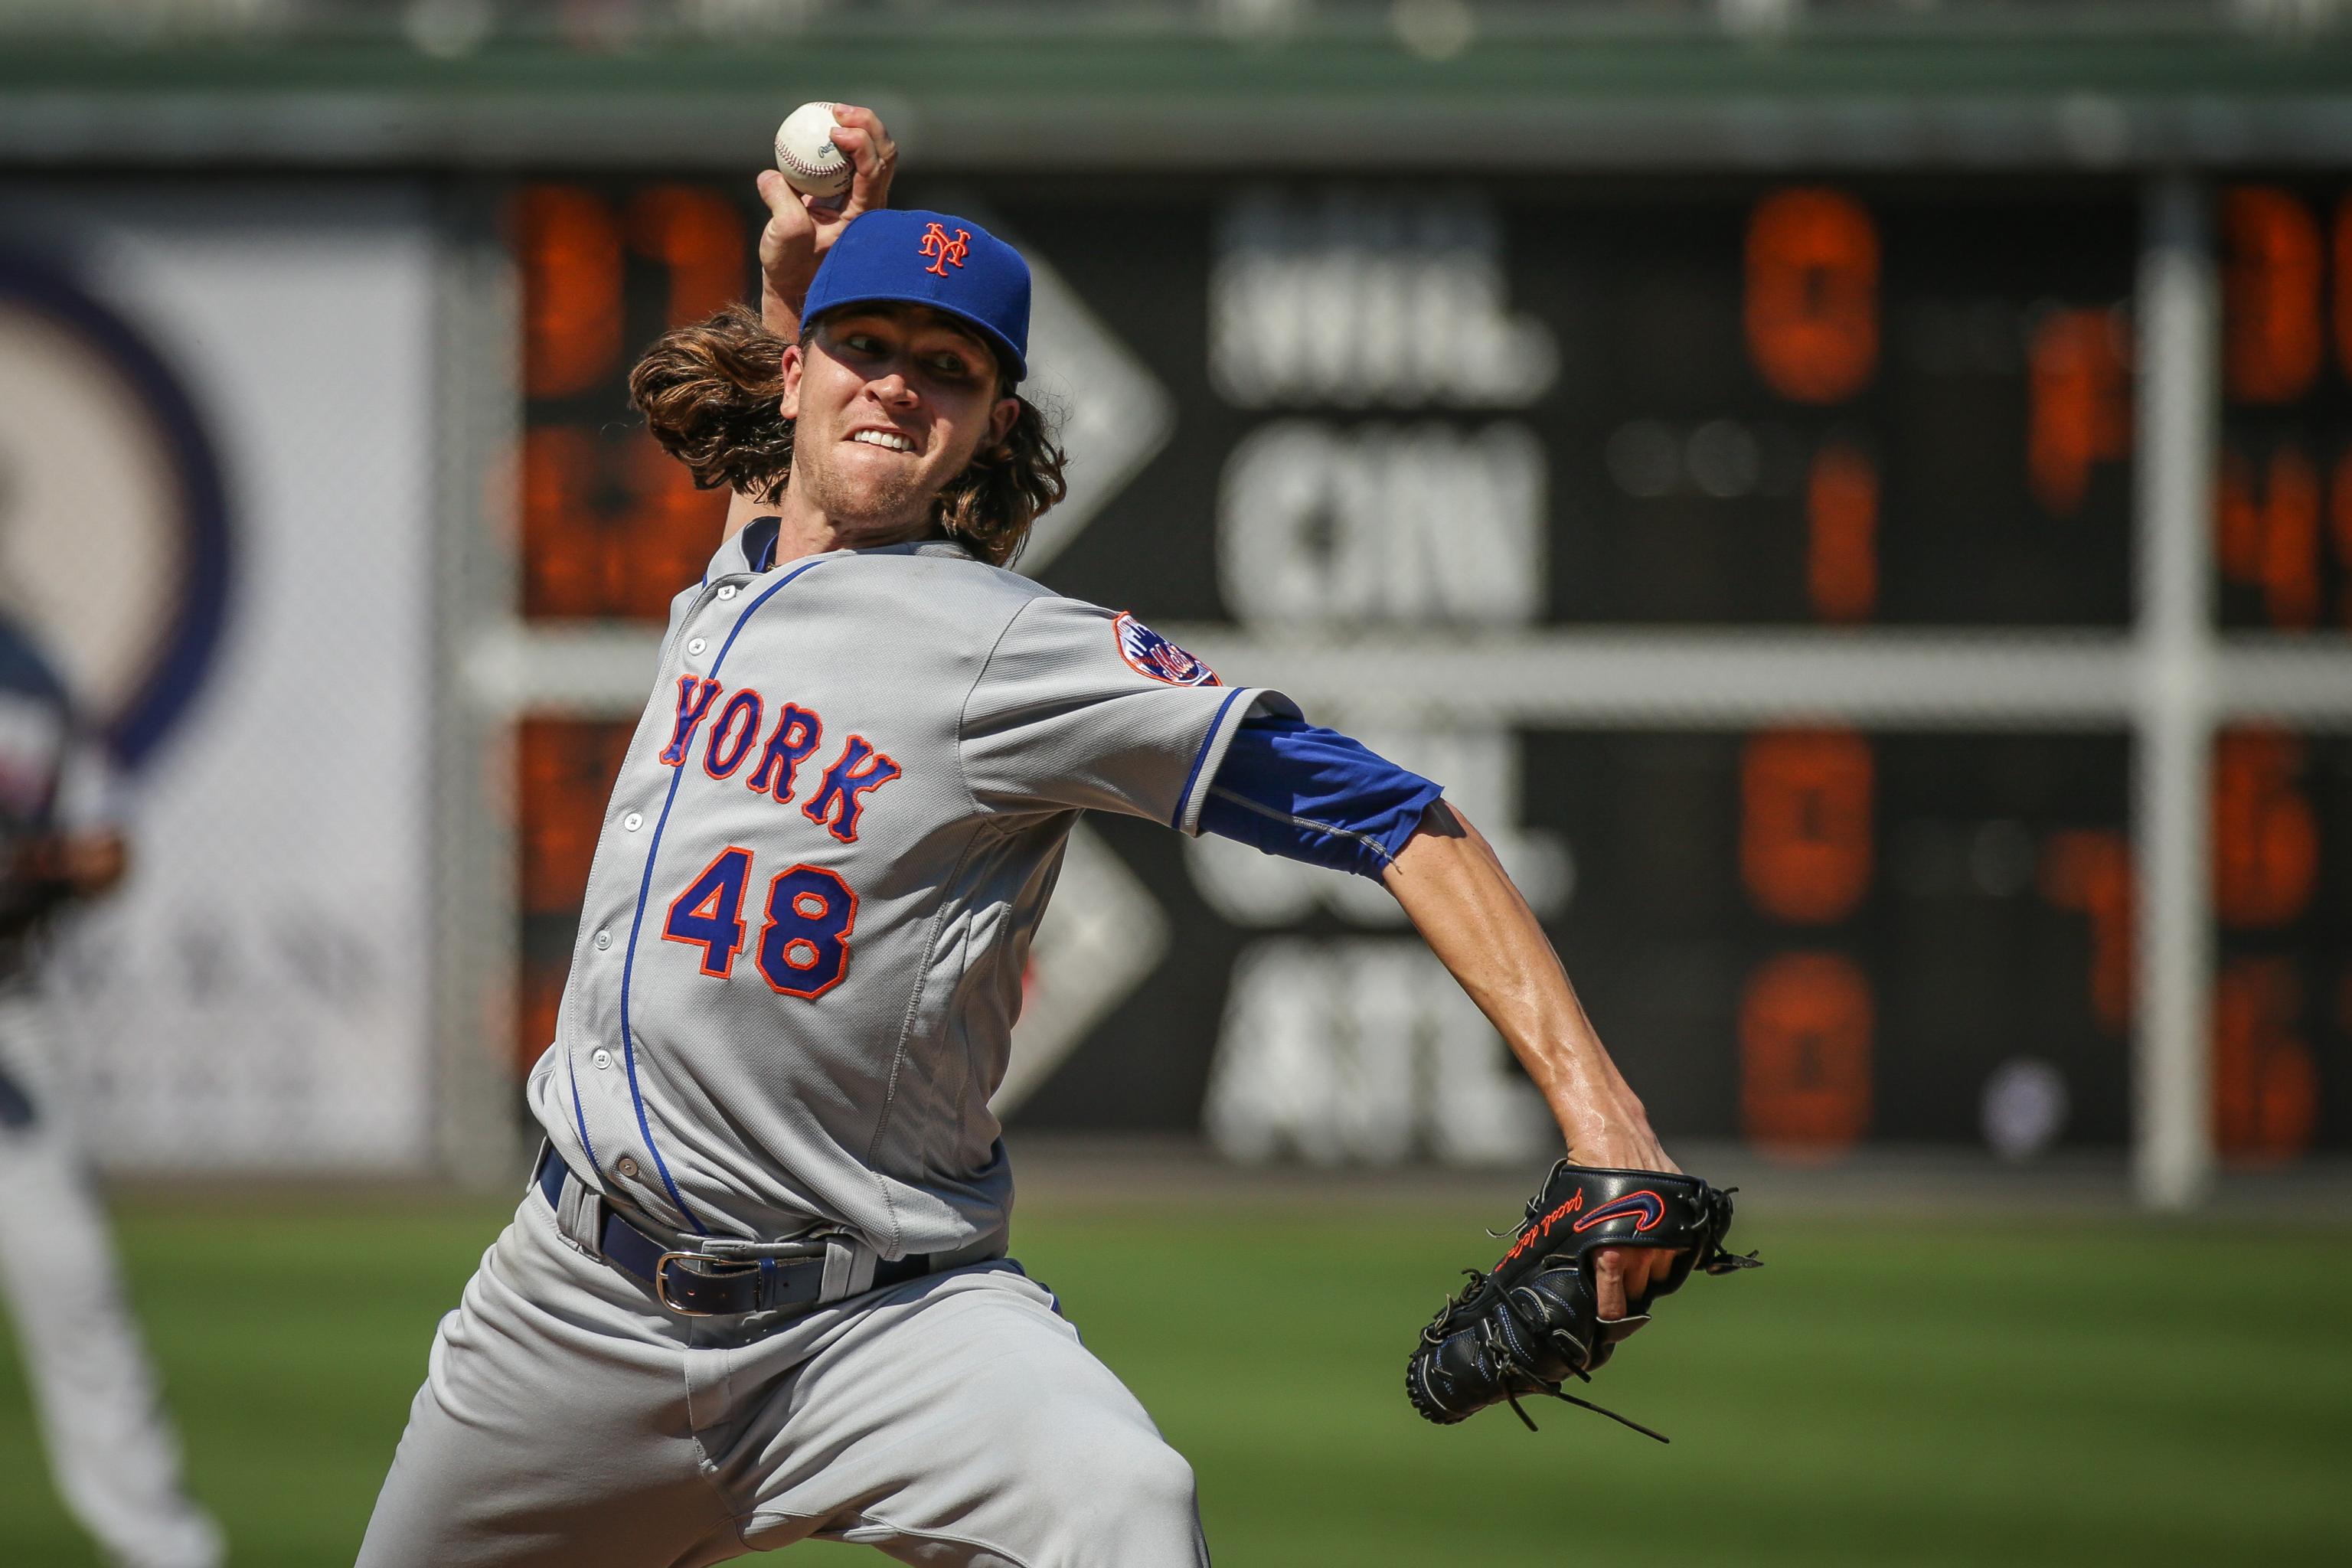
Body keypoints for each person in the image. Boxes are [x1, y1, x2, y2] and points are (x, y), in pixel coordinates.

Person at [357, 107, 1680, 1567]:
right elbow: (780, 484)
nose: (898, 388)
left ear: (991, 420)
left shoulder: (1014, 654)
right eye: (868, 347)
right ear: (795, 371)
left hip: (870, 1324)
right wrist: (792, 270)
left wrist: (1606, 1124)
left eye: (949, 368)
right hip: (568, 1313)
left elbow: (1402, 820)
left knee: (1119, 1503)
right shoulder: (736, 577)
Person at [0, 609, 226, 1568]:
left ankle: (162, 1548)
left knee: (73, 1282)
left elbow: (104, 841)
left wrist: (40, 864)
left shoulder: (29, 672)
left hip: (8, 1010)